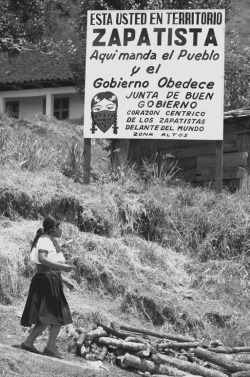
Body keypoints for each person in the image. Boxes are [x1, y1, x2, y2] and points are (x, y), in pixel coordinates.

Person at [20, 215, 73, 359]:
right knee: (50, 316)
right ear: (54, 228)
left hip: (52, 279)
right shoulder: (44, 239)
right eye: (60, 227)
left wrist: (65, 280)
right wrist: (63, 267)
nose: (62, 230)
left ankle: (47, 346)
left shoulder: (49, 240)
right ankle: (31, 343)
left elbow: (50, 265)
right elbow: (43, 260)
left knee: (58, 315)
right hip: (46, 280)